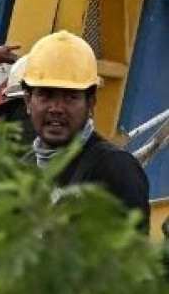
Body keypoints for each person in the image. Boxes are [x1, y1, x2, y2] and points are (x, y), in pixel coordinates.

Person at [14, 30, 151, 223]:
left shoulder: (115, 170)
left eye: (71, 97)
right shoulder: (24, 168)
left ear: (91, 103)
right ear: (28, 101)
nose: (56, 108)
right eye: (46, 95)